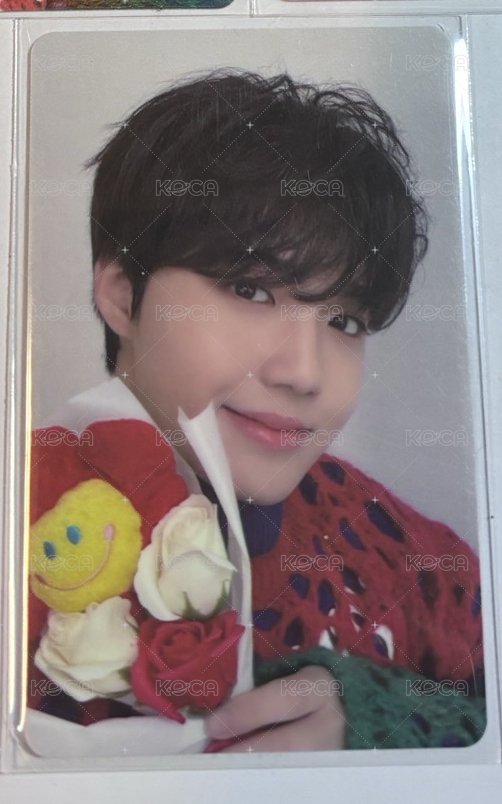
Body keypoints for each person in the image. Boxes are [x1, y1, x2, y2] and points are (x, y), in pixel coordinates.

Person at [27, 69, 485, 754]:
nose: (304, 373)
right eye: (250, 290)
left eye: (345, 322)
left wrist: (378, 711)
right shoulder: (17, 509)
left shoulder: (401, 555)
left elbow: (479, 699)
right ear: (123, 295)